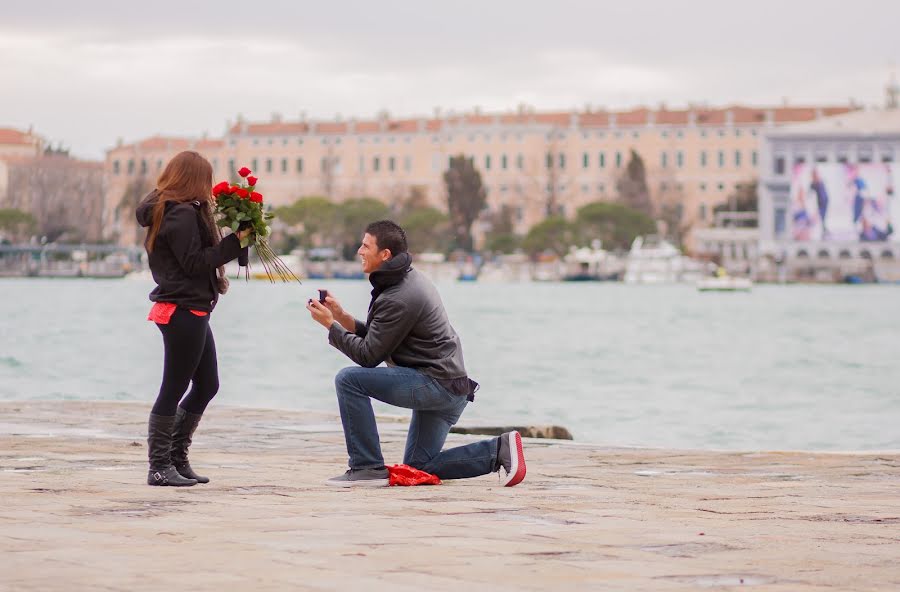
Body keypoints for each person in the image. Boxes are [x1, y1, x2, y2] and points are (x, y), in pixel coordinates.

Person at [306, 220, 526, 488]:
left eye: (365, 246)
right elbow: (382, 338)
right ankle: (498, 450)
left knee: (348, 380)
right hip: (448, 387)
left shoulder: (399, 295)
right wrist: (343, 318)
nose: (359, 251)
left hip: (435, 384)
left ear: (384, 254)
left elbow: (368, 356)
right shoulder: (408, 279)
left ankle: (366, 467)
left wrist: (331, 325)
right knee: (417, 468)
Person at [135, 151, 249, 487]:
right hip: (181, 308)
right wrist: (235, 242)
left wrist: (238, 240)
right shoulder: (179, 213)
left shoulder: (180, 210)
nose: (209, 188)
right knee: (174, 386)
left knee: (208, 384)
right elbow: (195, 263)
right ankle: (159, 466)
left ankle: (176, 458)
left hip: (192, 307)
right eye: (206, 180)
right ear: (194, 180)